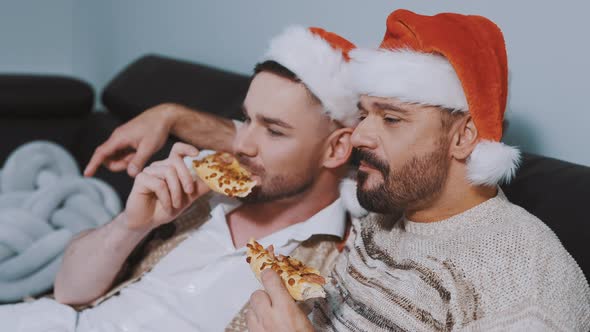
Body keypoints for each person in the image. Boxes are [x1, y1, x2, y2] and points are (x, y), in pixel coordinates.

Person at [246, 10, 590, 331]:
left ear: (464, 136)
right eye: (364, 114)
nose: (359, 135)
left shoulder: (526, 277)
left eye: (392, 119)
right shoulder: (383, 214)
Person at [0, 26, 361, 332]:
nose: (242, 142)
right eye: (247, 119)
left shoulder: (338, 264)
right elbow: (68, 291)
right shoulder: (197, 183)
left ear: (336, 149)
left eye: (274, 131)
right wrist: (131, 226)